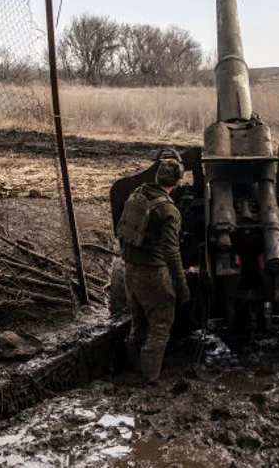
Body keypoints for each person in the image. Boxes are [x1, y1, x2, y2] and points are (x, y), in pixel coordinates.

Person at [115, 148, 190, 384]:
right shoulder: (169, 211)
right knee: (160, 324)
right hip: (152, 275)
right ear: (178, 181)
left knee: (138, 323)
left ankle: (132, 367)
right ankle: (150, 378)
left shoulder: (137, 194)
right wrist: (181, 285)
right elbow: (171, 252)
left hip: (130, 270)